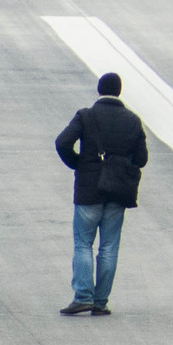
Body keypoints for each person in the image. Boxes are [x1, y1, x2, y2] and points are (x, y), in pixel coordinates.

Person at [54, 73, 149, 317]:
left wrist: (80, 163)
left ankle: (83, 297)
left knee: (83, 243)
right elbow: (141, 159)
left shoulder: (86, 116)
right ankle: (101, 301)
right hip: (117, 191)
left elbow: (63, 142)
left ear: (99, 91)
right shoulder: (132, 120)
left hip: (89, 189)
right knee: (109, 247)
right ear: (119, 91)